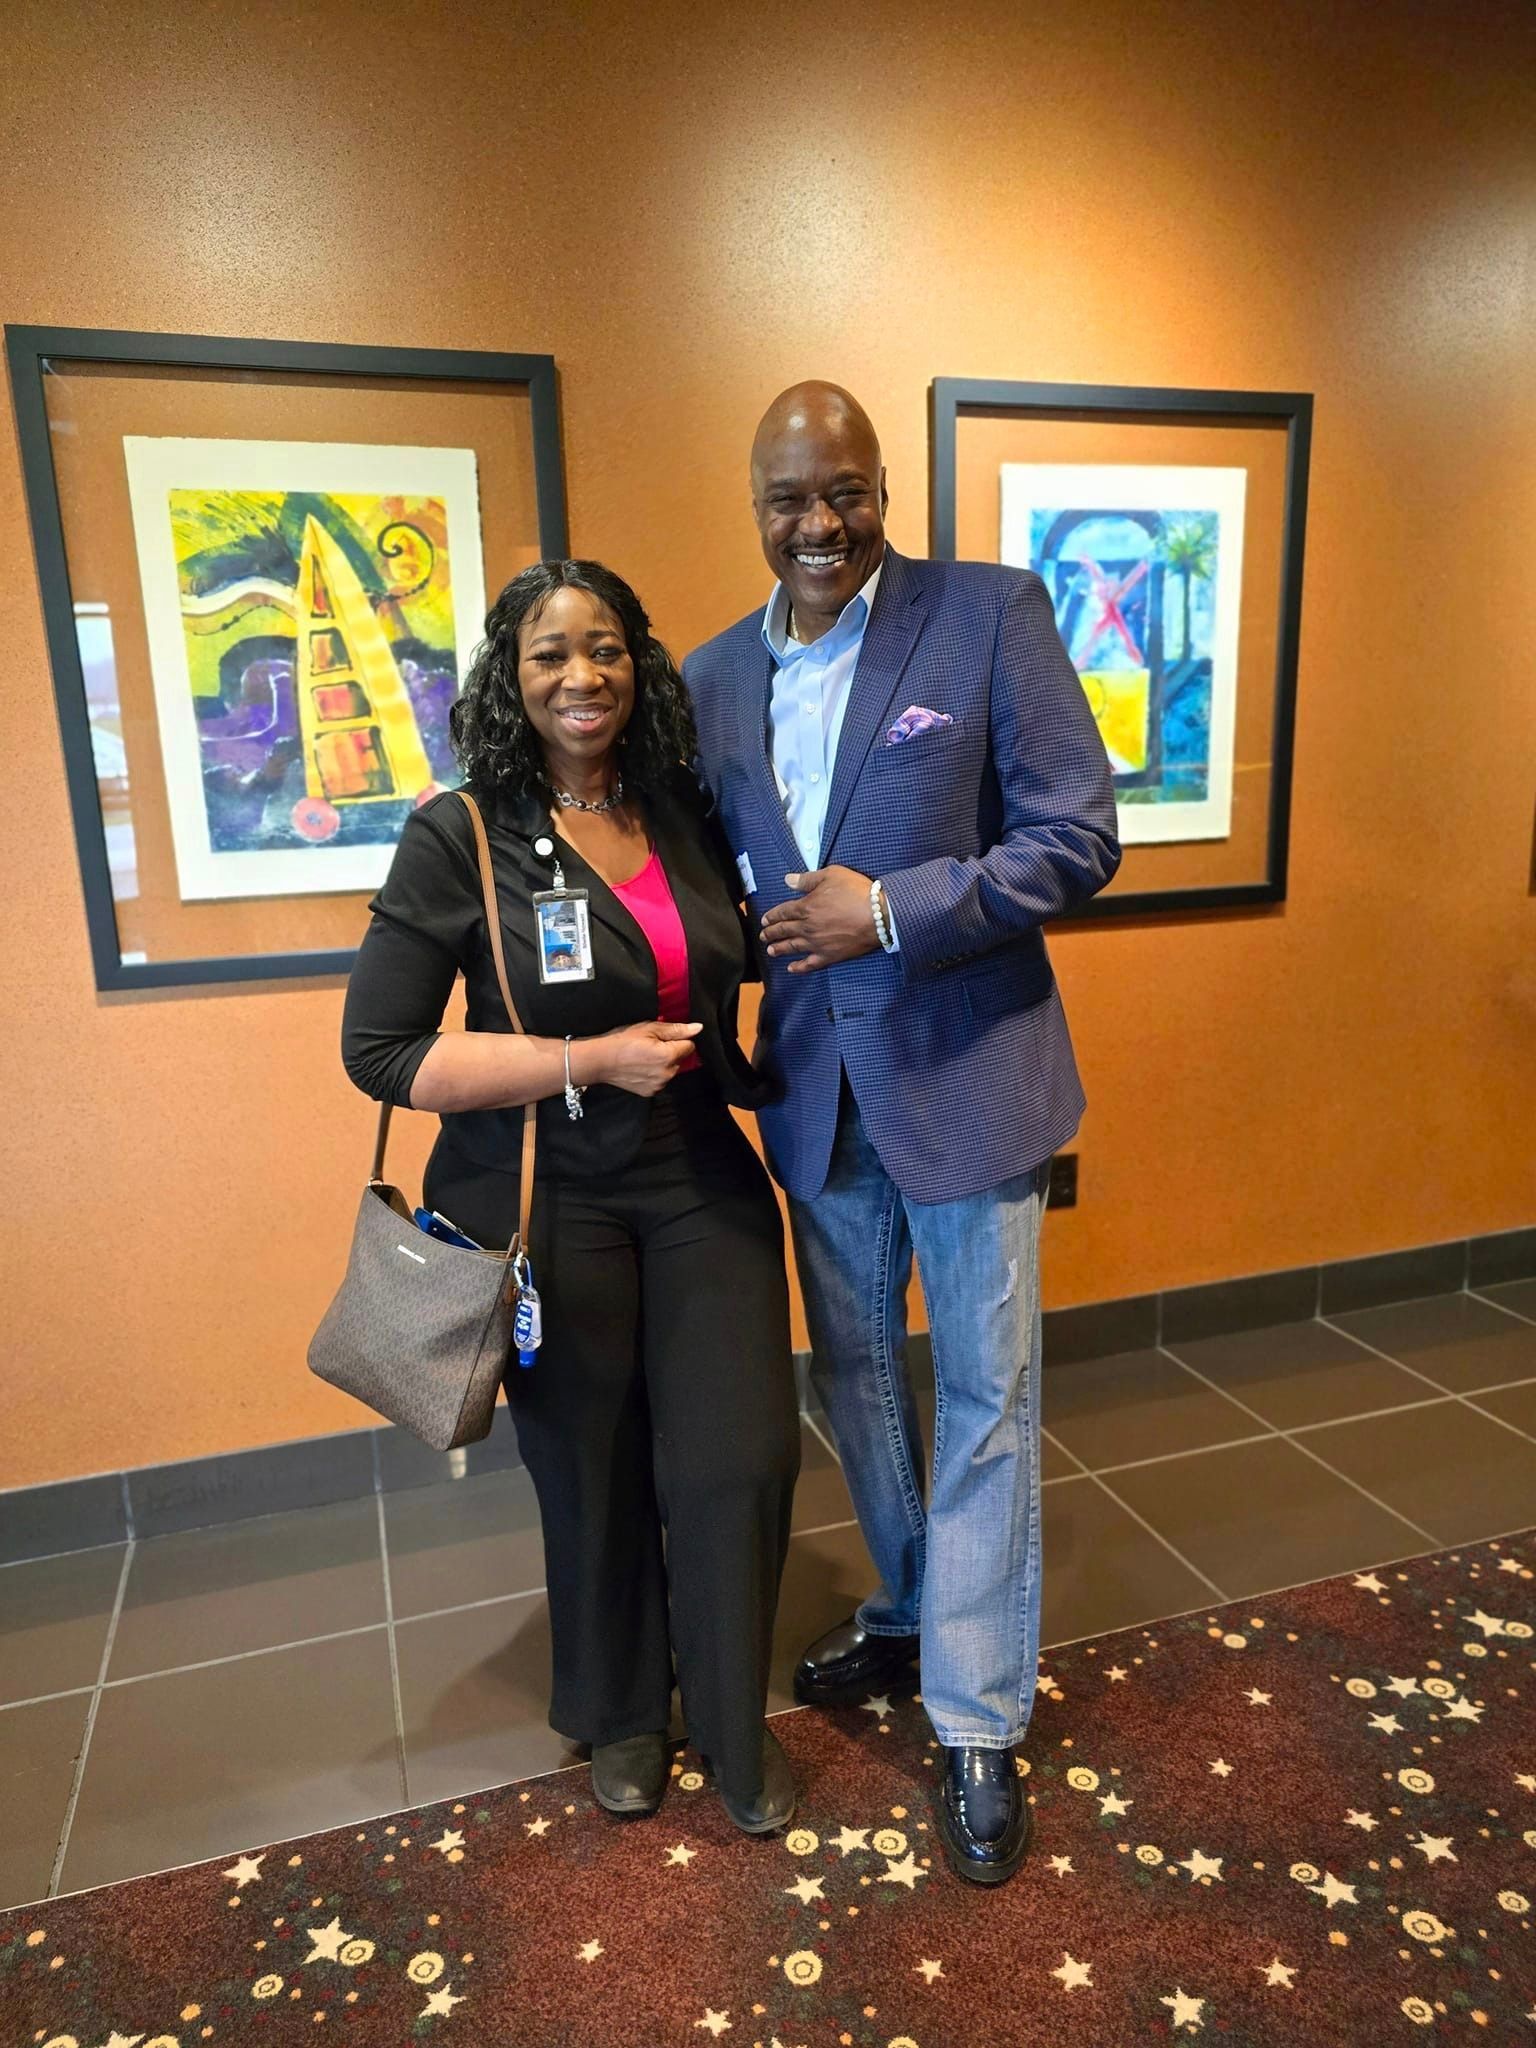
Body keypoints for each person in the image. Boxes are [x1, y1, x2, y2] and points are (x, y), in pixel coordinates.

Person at [683, 383, 1119, 1884]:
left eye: (847, 493)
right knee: (861, 1384)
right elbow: (710, 879)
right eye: (791, 500)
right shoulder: (711, 676)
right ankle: (924, 1611)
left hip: (973, 1071)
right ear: (754, 502)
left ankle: (980, 1715)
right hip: (815, 1093)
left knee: (987, 1394)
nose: (821, 526)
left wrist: (889, 909)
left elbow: (1078, 834)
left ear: (882, 487)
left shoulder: (988, 613)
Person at [342, 560, 800, 1832]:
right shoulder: (462, 832)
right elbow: (382, 1052)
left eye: (604, 648)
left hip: (699, 1170)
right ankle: (621, 1717)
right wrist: (584, 1057)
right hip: (549, 1189)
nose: (581, 676)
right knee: (590, 1465)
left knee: (742, 1454)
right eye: (550, 654)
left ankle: (726, 1715)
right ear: (512, 675)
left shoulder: (684, 809)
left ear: (639, 664)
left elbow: (748, 949)